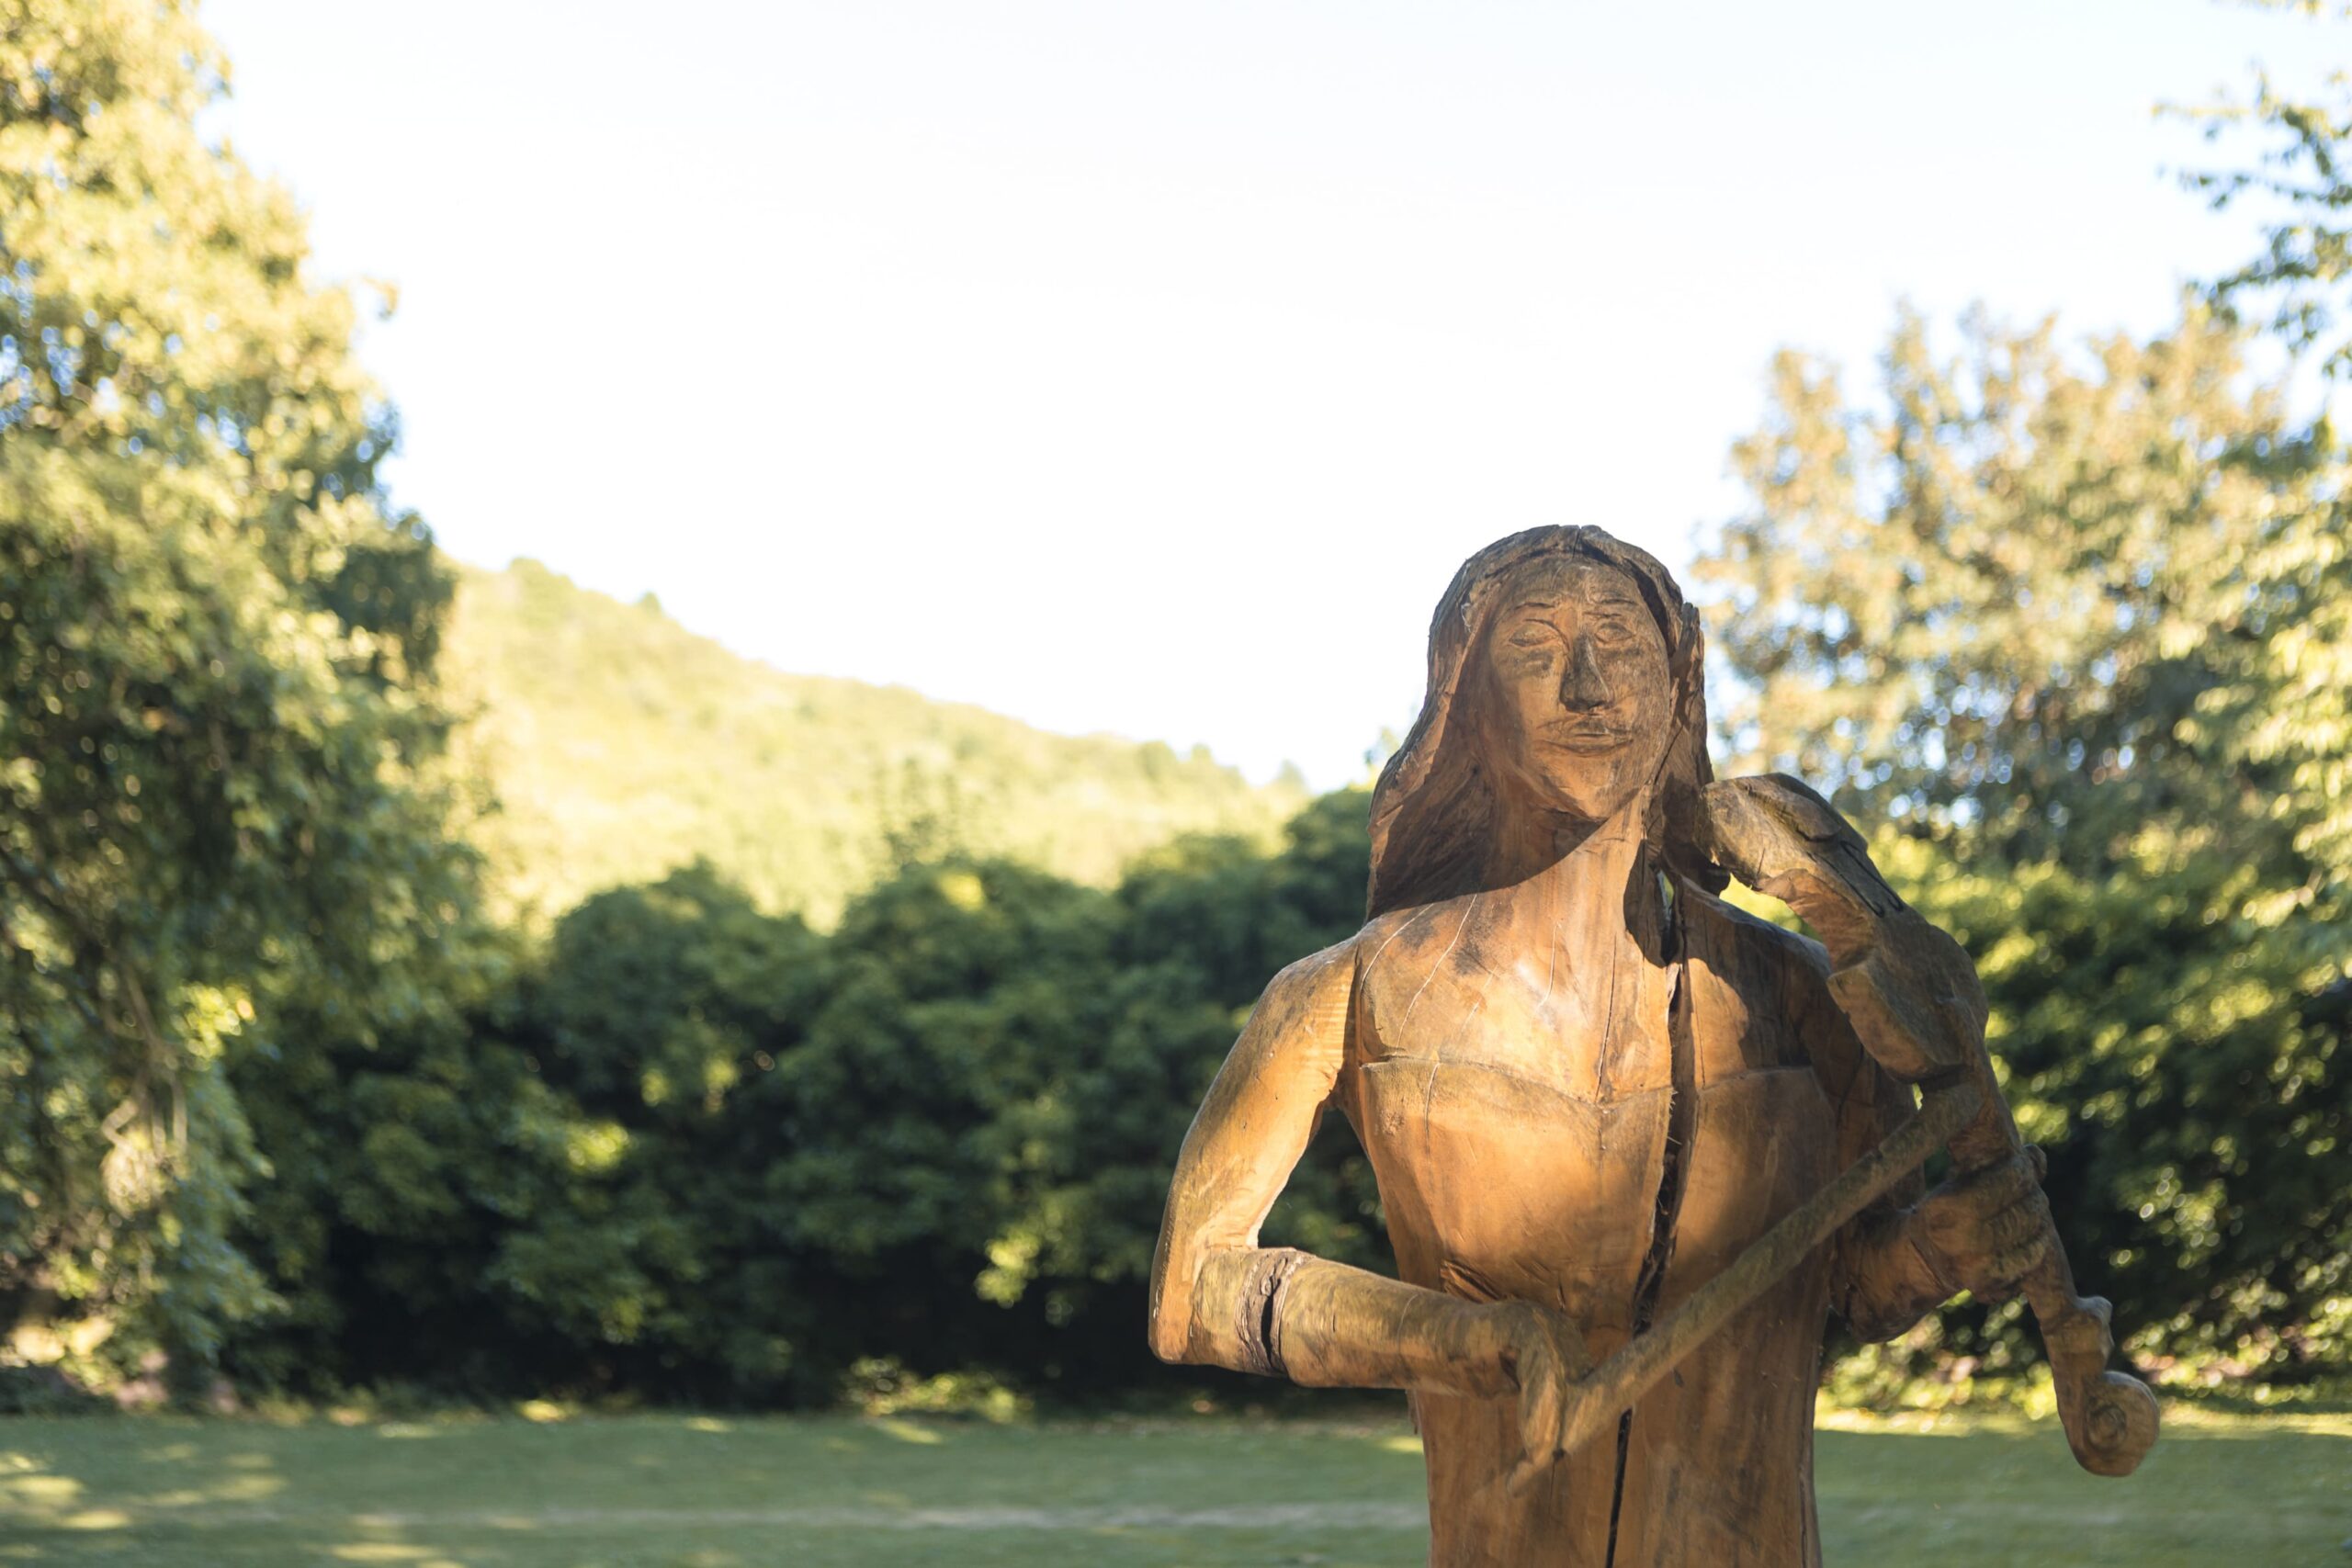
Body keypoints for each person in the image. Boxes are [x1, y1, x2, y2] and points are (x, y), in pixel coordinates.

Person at [1148, 525, 2051, 1566]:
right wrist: (1464, 1337)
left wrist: (1943, 1246)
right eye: (1535, 648)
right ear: (1463, 705)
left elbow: (1848, 1282)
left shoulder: (1795, 994)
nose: (1587, 686)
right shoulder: (1349, 992)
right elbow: (1193, 1287)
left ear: (1676, 692)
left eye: (1620, 644)